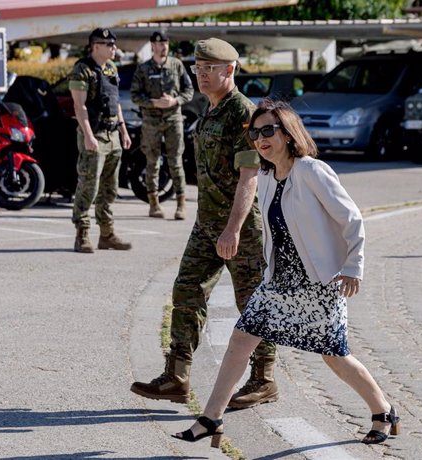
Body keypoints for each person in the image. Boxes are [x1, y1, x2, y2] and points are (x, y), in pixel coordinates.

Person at [172, 99, 400, 447]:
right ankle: (211, 417)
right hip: (278, 281)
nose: (261, 139)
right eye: (255, 133)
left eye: (268, 130)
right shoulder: (266, 176)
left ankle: (383, 410)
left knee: (334, 355)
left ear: (288, 132)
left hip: (320, 282)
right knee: (240, 339)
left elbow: (351, 218)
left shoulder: (311, 171)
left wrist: (354, 266)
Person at [130, 38, 280, 409]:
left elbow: (249, 178)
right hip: (207, 224)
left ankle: (263, 380)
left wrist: (232, 229)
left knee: (253, 302)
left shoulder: (243, 114)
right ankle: (177, 376)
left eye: (209, 69)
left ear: (229, 70)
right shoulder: (209, 110)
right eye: (197, 68)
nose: (201, 75)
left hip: (239, 227)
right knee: (186, 291)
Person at [69, 28, 132, 253]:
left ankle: (106, 235)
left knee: (110, 188)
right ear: (96, 46)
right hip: (94, 134)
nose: (114, 48)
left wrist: (123, 130)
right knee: (89, 186)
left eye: (113, 44)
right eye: (109, 45)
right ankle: (82, 235)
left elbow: (115, 103)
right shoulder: (82, 70)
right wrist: (87, 135)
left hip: (113, 134)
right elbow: (79, 106)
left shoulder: (111, 68)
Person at [130, 31, 194, 220]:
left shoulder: (176, 65)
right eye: (159, 43)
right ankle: (154, 204)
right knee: (152, 161)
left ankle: (181, 204)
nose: (163, 46)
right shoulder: (143, 69)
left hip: (173, 119)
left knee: (175, 161)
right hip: (151, 121)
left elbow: (189, 90)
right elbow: (134, 95)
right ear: (152, 46)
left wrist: (175, 101)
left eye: (165, 42)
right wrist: (152, 103)